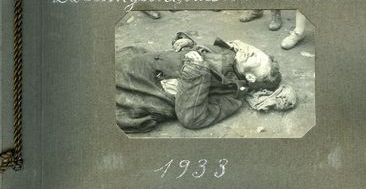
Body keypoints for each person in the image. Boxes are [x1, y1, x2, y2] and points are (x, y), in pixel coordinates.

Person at [115, 32, 285, 133]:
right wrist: (188, 44)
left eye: (255, 57)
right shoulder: (229, 54)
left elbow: (193, 119)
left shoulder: (232, 98)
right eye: (255, 50)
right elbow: (205, 53)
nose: (249, 51)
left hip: (141, 88)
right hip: (137, 61)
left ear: (251, 78)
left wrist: (195, 71)